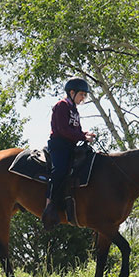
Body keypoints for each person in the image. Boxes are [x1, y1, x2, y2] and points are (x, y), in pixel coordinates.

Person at [41, 77, 96, 229]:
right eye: (82, 94)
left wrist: (85, 134)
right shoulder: (62, 106)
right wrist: (82, 136)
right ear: (72, 92)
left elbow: (75, 131)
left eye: (85, 95)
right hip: (59, 145)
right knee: (59, 171)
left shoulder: (74, 110)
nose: (83, 98)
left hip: (70, 145)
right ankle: (49, 205)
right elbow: (63, 130)